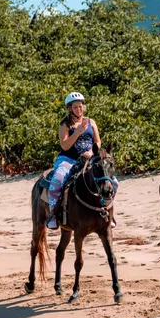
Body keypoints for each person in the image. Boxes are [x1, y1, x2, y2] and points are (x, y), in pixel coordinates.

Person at [46, 92, 117, 230]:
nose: (79, 109)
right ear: (69, 109)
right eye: (75, 107)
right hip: (68, 159)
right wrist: (77, 132)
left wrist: (94, 151)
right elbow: (65, 145)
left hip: (89, 159)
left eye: (81, 106)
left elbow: (97, 141)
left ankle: (108, 210)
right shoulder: (64, 124)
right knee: (57, 181)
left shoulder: (91, 122)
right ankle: (53, 214)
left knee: (112, 181)